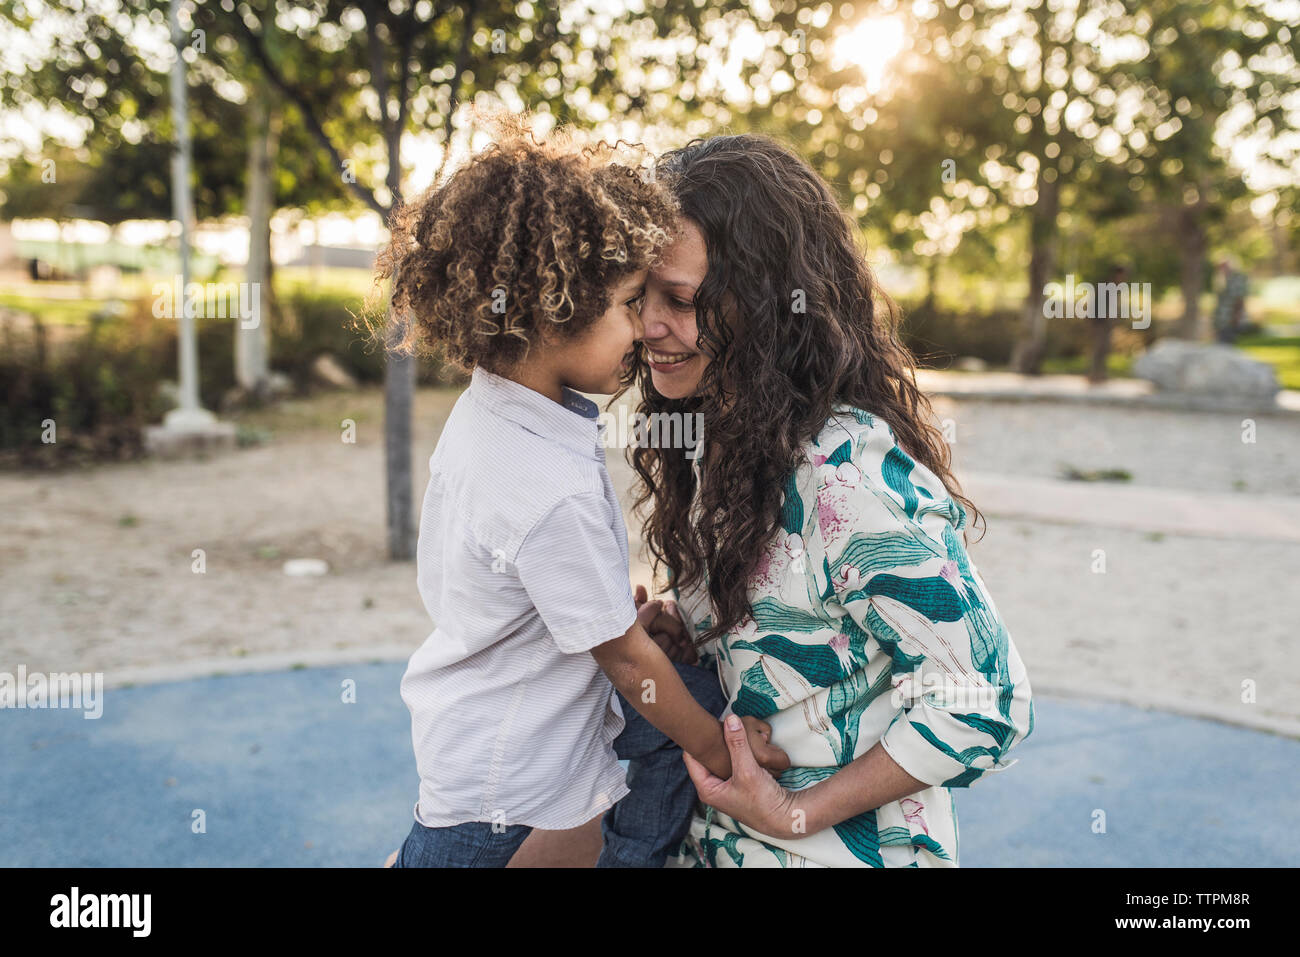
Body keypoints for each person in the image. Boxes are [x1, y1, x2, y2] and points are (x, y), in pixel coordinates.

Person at [373, 117, 789, 869]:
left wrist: (597, 606)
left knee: (676, 704)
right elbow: (630, 664)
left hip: (487, 737)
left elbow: (536, 582)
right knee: (682, 710)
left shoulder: (496, 411)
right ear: (552, 309)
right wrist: (727, 753)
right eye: (629, 302)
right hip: (504, 788)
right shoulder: (542, 481)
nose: (644, 327)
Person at [625, 134, 1035, 867]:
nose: (648, 326)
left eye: (681, 300)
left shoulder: (840, 472)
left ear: (766, 306)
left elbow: (985, 697)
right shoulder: (709, 439)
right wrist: (696, 641)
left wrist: (795, 811)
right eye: (639, 296)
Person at [1088, 263, 1128, 384]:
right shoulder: (1106, 286)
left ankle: (1100, 373)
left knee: (1105, 348)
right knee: (1099, 347)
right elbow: (1097, 304)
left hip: (1107, 323)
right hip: (1100, 322)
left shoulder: (1116, 287)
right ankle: (1094, 374)